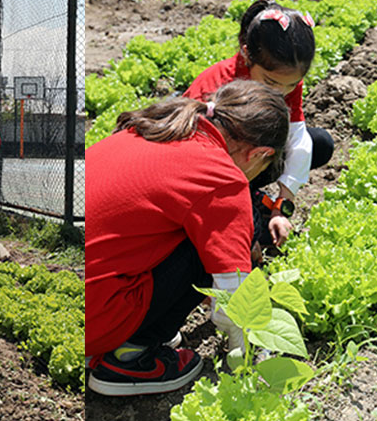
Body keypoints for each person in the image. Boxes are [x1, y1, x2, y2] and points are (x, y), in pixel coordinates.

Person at [86, 81, 290, 396]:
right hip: (98, 321)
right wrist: (252, 359)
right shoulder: (222, 177)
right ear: (259, 153)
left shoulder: (157, 129)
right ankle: (131, 354)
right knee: (212, 245)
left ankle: (129, 333)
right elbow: (233, 304)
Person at [184, 0, 333, 253]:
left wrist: (283, 205)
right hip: (200, 171)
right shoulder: (217, 88)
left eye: (291, 85)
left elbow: (298, 138)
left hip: (244, 157)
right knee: (250, 235)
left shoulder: (283, 78)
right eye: (271, 82)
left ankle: (251, 193)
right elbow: (198, 166)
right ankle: (249, 198)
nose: (282, 92)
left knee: (319, 143)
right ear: (246, 54)